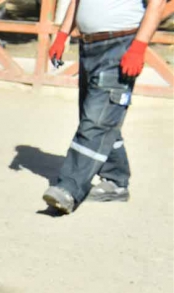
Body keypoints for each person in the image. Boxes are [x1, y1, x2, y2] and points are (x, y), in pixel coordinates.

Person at [42, 0, 166, 214]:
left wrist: (138, 47)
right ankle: (116, 181)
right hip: (89, 46)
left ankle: (69, 187)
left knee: (96, 121)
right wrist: (62, 36)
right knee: (98, 116)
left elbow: (157, 4)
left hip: (120, 44)